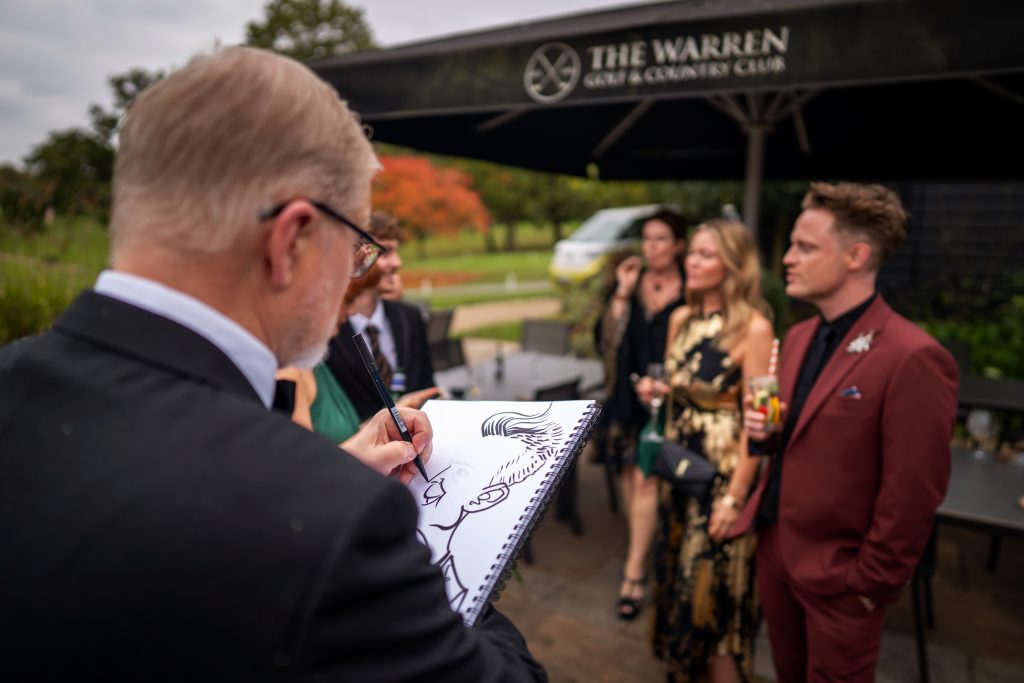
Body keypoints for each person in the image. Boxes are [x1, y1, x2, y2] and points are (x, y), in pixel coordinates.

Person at [0, 46, 545, 681]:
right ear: (291, 241)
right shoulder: (329, 525)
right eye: (358, 246)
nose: (358, 270)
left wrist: (332, 473)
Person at [737, 182, 959, 682]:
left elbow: (914, 492)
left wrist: (868, 584)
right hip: (776, 554)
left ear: (856, 255)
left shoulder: (912, 356)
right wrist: (765, 431)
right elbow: (797, 439)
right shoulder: (797, 337)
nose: (788, 258)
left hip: (840, 580)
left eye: (805, 247)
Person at [635, 218, 774, 682]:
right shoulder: (681, 318)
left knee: (712, 608)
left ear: (733, 266)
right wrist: (660, 392)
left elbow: (762, 423)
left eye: (705, 254)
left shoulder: (754, 328)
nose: (691, 261)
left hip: (720, 478)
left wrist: (736, 497)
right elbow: (683, 388)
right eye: (691, 252)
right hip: (679, 470)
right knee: (679, 590)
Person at [595, 208, 688, 620]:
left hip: (671, 400)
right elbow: (607, 341)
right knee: (636, 480)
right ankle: (641, 553)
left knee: (646, 481)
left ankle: (633, 573)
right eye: (647, 238)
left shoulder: (692, 289)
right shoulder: (632, 288)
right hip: (630, 401)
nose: (652, 247)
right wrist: (621, 291)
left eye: (661, 239)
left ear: (678, 245)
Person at [278, 262, 437, 444]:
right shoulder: (292, 374)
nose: (352, 311)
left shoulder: (317, 364)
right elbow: (308, 464)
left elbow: (349, 437)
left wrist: (392, 415)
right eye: (347, 301)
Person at [325, 211, 435, 421]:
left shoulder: (411, 318)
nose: (397, 262)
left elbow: (428, 387)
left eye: (396, 251)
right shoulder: (327, 329)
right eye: (385, 252)